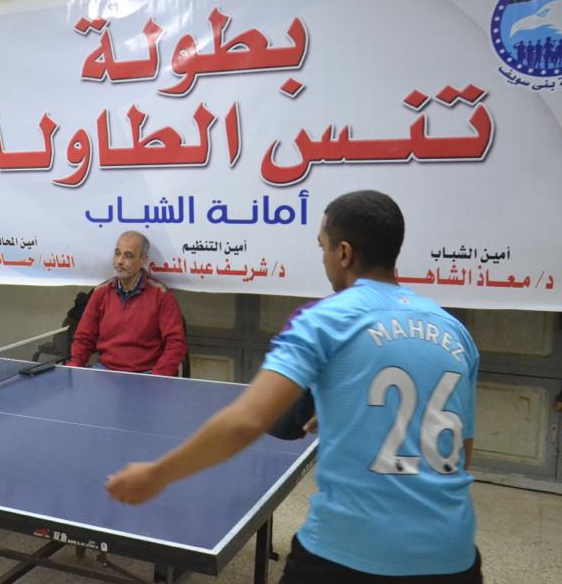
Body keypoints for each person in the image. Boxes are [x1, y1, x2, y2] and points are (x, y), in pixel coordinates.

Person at [105, 190, 482, 583]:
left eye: (323, 247)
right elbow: (461, 452)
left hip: (348, 554)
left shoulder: (323, 320)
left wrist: (158, 474)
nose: (324, 259)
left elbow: (245, 422)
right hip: (453, 556)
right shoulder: (454, 329)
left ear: (344, 253)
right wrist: (346, 410)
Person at [66, 231, 187, 376]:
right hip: (106, 370)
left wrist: (158, 377)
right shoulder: (100, 293)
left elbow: (175, 344)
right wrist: (75, 366)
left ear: (142, 260)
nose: (119, 261)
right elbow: (84, 338)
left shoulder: (161, 295)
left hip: (147, 374)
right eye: (117, 253)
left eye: (128, 255)